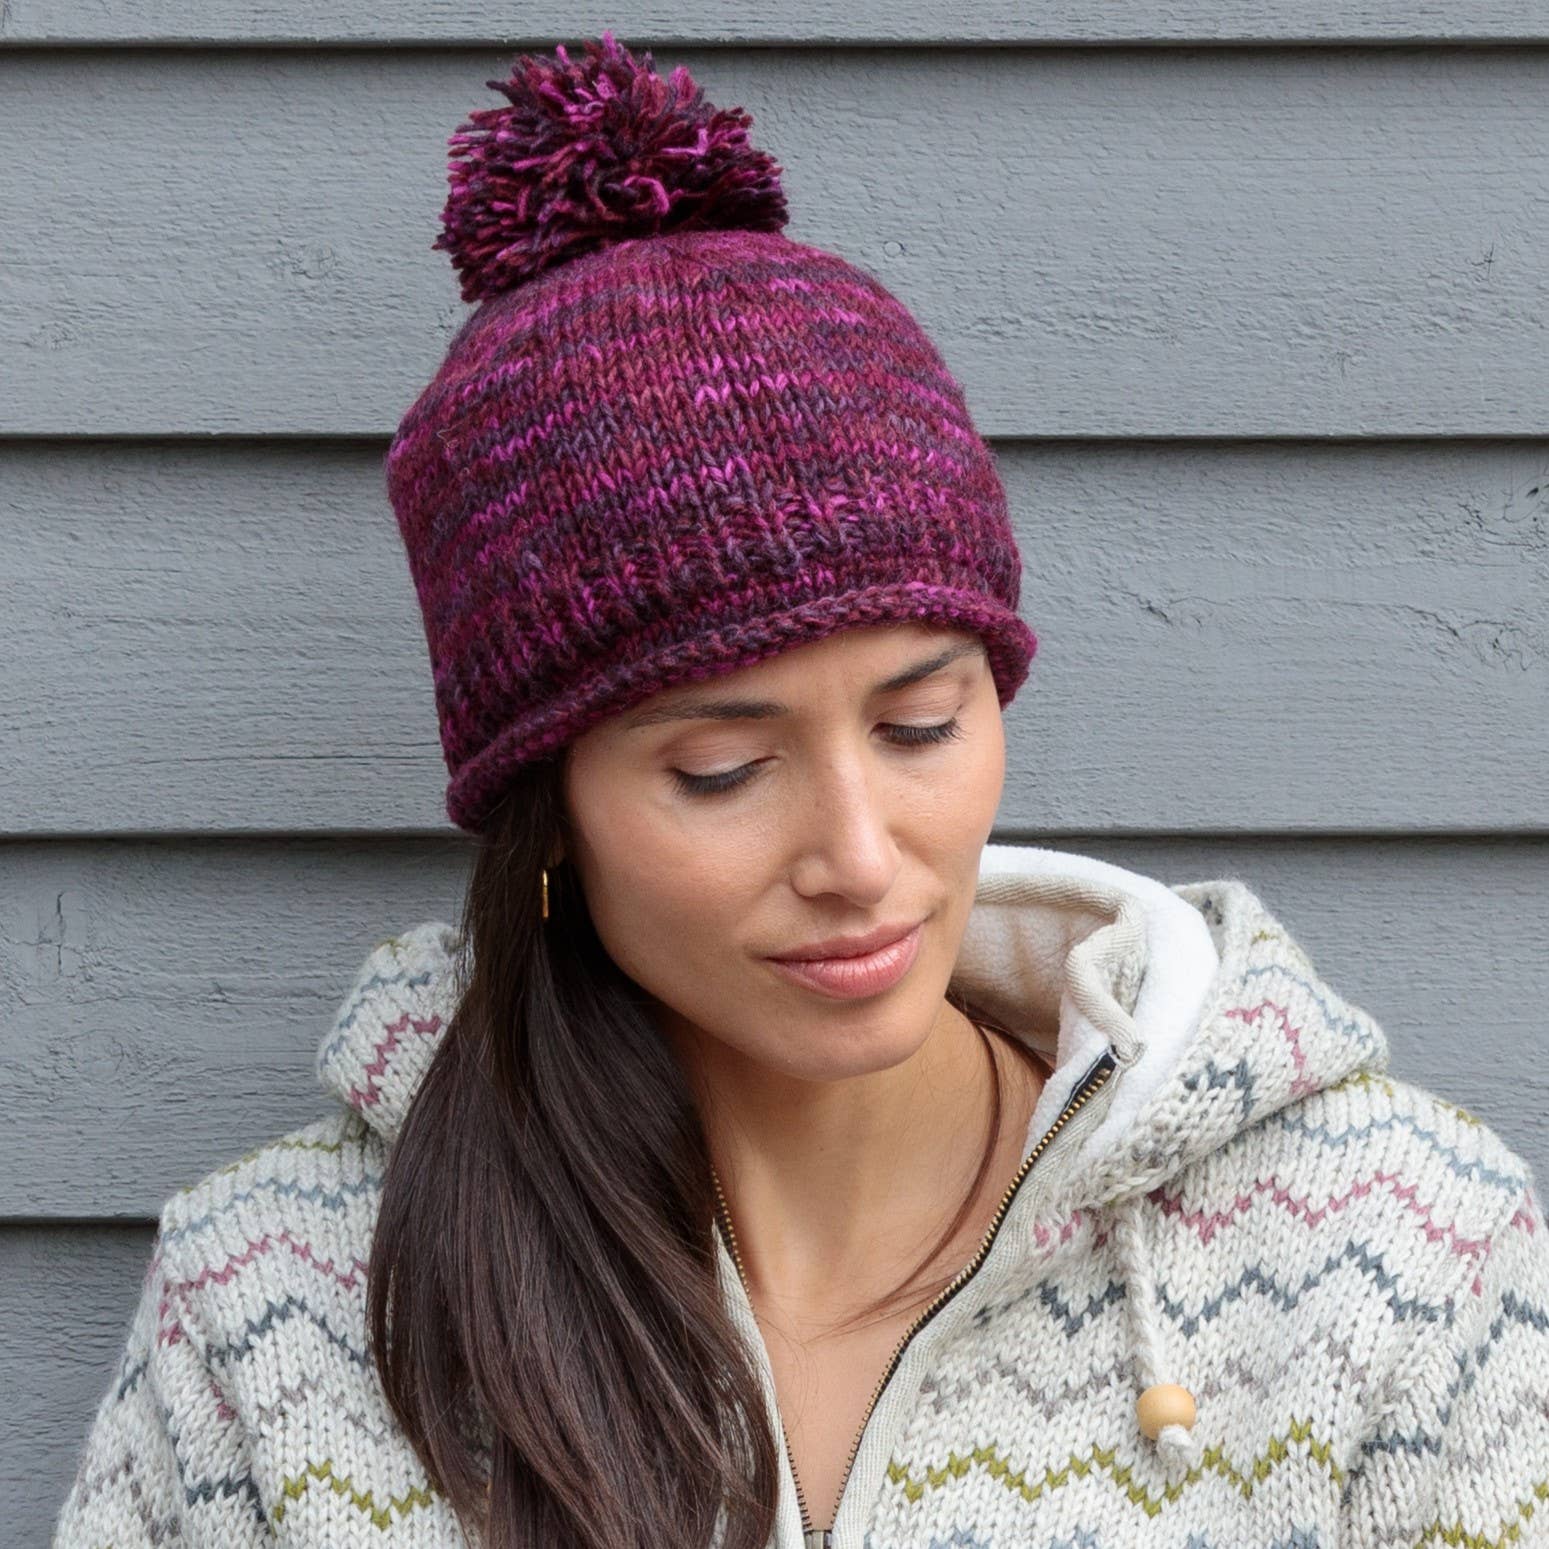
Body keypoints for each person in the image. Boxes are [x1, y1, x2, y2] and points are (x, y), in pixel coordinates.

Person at [53, 31, 1549, 1549]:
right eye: (722, 769)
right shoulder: (277, 1305)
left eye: (920, 725)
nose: (858, 855)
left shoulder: (1393, 1245)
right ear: (547, 810)